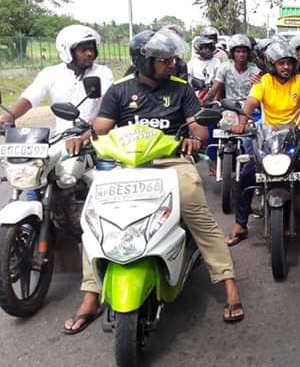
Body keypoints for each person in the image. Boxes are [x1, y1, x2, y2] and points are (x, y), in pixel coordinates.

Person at [62, 29, 244, 334]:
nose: (172, 63)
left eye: (172, 58)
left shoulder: (181, 89)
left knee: (196, 211)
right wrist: (82, 137)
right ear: (144, 61)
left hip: (172, 162)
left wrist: (194, 139)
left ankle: (228, 283)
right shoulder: (120, 91)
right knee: (94, 219)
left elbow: (199, 129)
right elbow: (102, 127)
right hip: (127, 165)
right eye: (164, 60)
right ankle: (91, 296)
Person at [225, 39, 300, 245]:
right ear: (272, 64)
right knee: (246, 176)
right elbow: (251, 102)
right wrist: (241, 123)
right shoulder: (263, 81)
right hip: (267, 136)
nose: (286, 67)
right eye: (281, 63)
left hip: (296, 134)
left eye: (289, 63)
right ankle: (240, 224)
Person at [0, 24, 113, 134]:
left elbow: (105, 100)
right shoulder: (51, 73)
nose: (89, 53)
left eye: (92, 49)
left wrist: (101, 118)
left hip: (93, 135)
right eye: (83, 50)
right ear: (67, 52)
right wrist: (8, 117)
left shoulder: (102, 72)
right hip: (61, 138)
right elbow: (29, 98)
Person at [208, 34, 260, 102]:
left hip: (249, 105)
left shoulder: (255, 70)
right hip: (229, 105)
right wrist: (202, 102)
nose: (241, 54)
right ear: (232, 53)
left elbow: (259, 93)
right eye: (238, 51)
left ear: (248, 53)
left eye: (244, 51)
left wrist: (258, 83)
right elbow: (214, 90)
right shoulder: (225, 67)